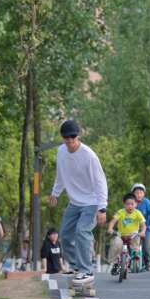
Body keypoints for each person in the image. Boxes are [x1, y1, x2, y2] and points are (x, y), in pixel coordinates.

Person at [49, 119, 108, 285]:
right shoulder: (61, 152)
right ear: (62, 138)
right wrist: (56, 192)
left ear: (78, 137)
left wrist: (102, 207)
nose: (70, 142)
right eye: (67, 139)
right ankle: (76, 266)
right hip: (74, 203)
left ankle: (86, 270)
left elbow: (100, 182)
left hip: (92, 202)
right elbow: (61, 174)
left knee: (82, 231)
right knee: (65, 235)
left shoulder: (89, 156)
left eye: (73, 138)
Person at [107, 193, 146, 275]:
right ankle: (115, 264)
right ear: (124, 204)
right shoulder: (120, 212)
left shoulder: (138, 213)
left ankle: (135, 252)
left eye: (132, 204)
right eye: (128, 204)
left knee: (136, 234)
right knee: (116, 243)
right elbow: (113, 221)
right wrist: (110, 229)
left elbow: (143, 225)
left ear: (136, 204)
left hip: (132, 235)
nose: (130, 206)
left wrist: (142, 232)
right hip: (121, 235)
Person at [131, 183, 150, 271]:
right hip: (134, 228)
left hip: (146, 229)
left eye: (141, 193)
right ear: (133, 194)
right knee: (130, 245)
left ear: (144, 194)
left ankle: (149, 263)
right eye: (137, 193)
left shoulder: (146, 202)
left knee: (146, 248)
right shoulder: (131, 203)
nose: (139, 195)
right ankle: (128, 262)